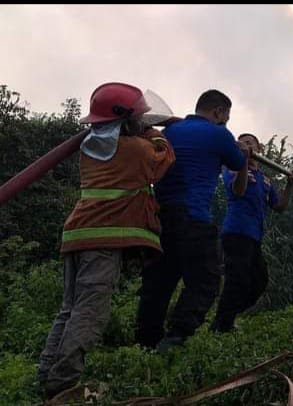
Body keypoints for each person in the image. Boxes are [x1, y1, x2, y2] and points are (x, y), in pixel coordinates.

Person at [37, 82, 175, 401]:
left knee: (69, 309)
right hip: (102, 237)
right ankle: (62, 383)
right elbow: (164, 158)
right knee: (91, 311)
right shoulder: (136, 149)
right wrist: (156, 132)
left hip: (76, 234)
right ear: (128, 120)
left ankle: (47, 373)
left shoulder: (91, 147)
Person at [136, 90, 248, 351]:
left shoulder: (169, 132)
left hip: (160, 218)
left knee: (159, 282)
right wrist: (243, 152)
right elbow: (237, 162)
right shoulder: (219, 134)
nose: (225, 122)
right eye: (226, 117)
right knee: (206, 280)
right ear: (219, 112)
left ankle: (145, 343)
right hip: (193, 217)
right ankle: (176, 336)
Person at [210, 133, 293, 333]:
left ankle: (223, 318)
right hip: (236, 232)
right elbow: (239, 191)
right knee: (237, 280)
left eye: (250, 142)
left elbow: (279, 206)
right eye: (242, 142)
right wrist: (242, 162)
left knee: (259, 281)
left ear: (259, 150)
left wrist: (290, 184)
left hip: (254, 236)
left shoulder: (265, 180)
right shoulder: (231, 169)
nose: (246, 144)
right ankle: (222, 326)